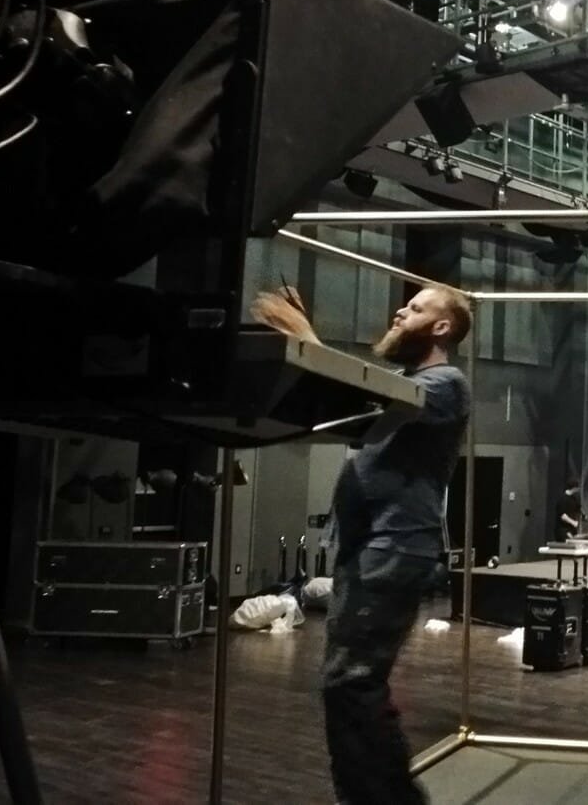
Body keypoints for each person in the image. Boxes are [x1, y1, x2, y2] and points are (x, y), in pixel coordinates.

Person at [254, 282, 472, 805]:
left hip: (394, 546)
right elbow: (355, 410)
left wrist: (309, 345)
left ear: (442, 327)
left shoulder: (445, 383)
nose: (400, 311)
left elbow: (365, 395)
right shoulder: (407, 384)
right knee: (350, 681)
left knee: (351, 681)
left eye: (415, 308)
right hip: (373, 547)